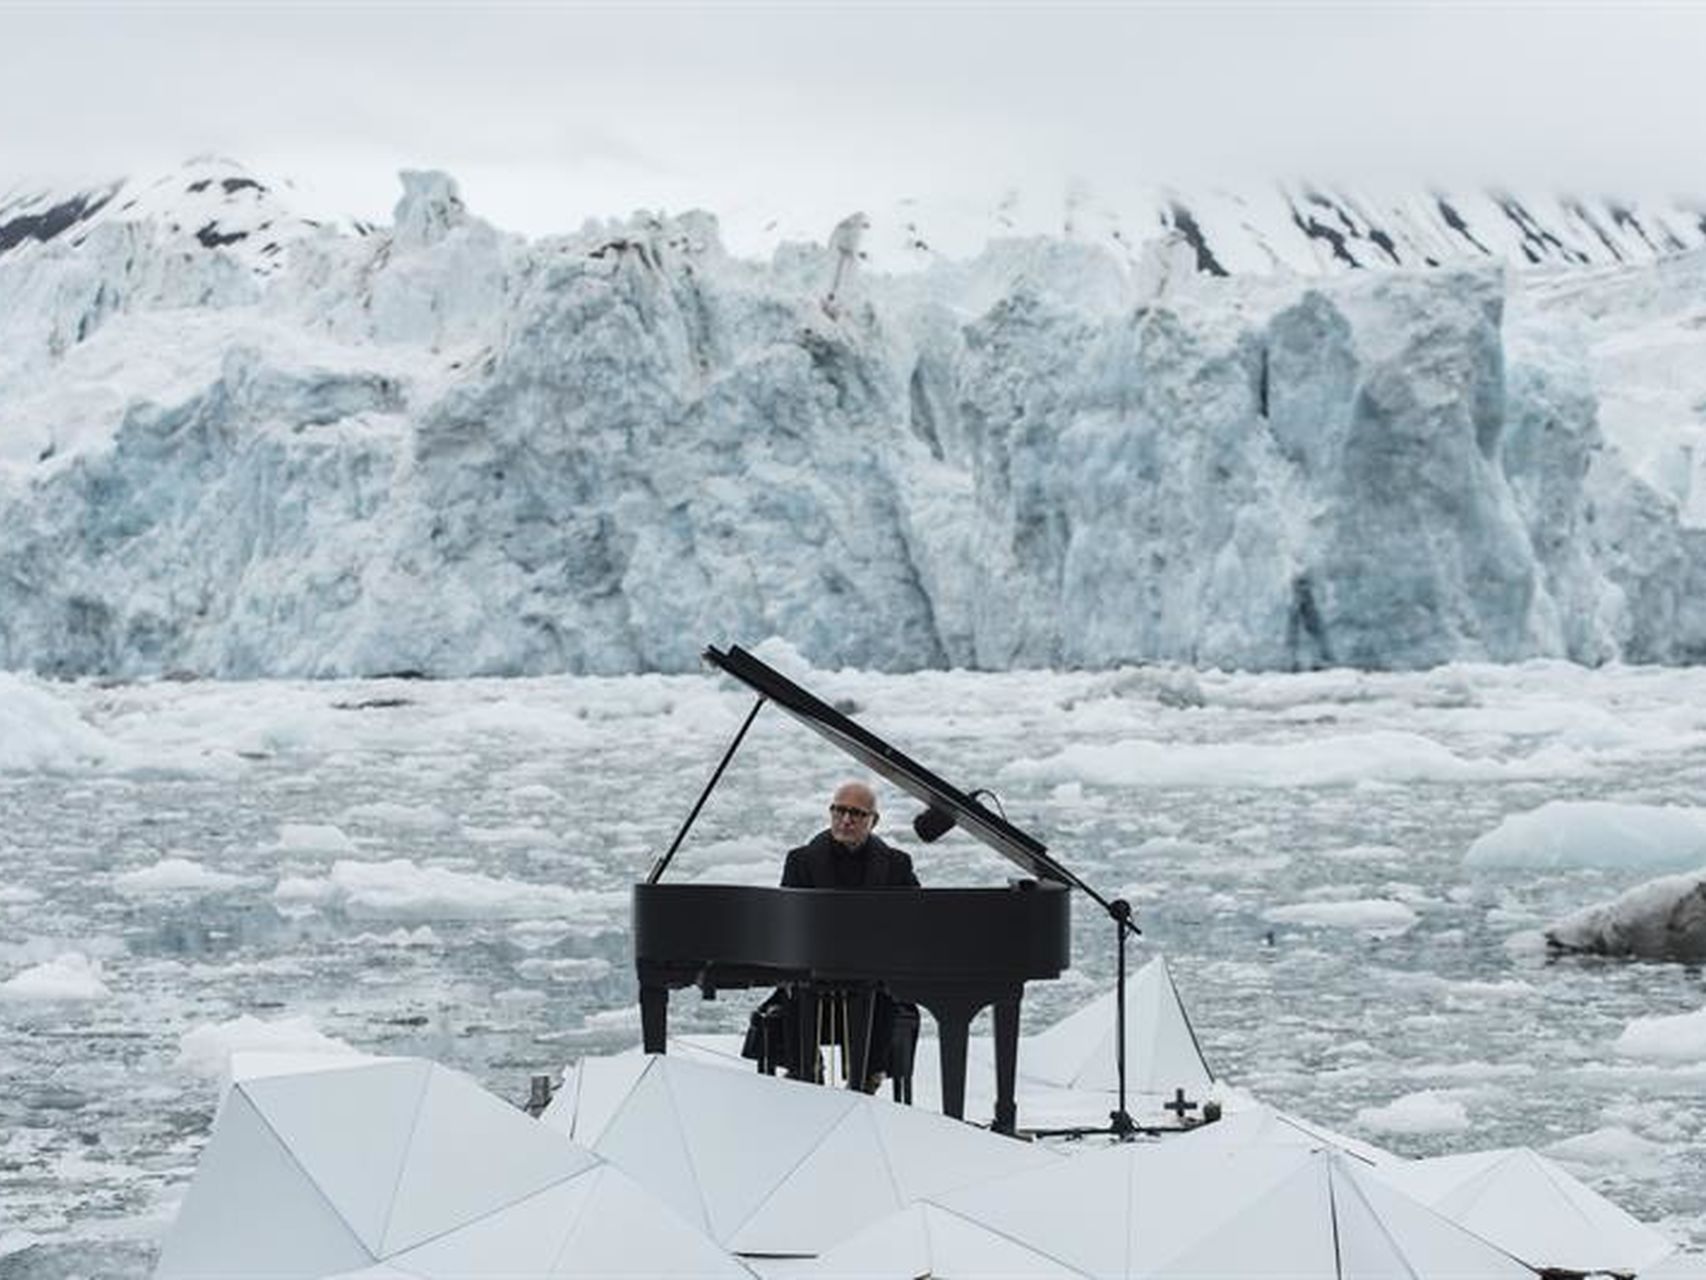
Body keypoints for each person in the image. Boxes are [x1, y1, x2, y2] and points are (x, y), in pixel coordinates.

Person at [743, 780, 920, 1091]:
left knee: (886, 999)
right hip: (814, 976)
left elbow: (915, 920)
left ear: (873, 821)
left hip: (873, 978)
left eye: (856, 813)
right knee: (794, 993)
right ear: (831, 812)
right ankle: (806, 1072)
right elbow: (788, 923)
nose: (846, 820)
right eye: (839, 811)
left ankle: (867, 1077)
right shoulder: (800, 860)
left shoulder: (896, 864)